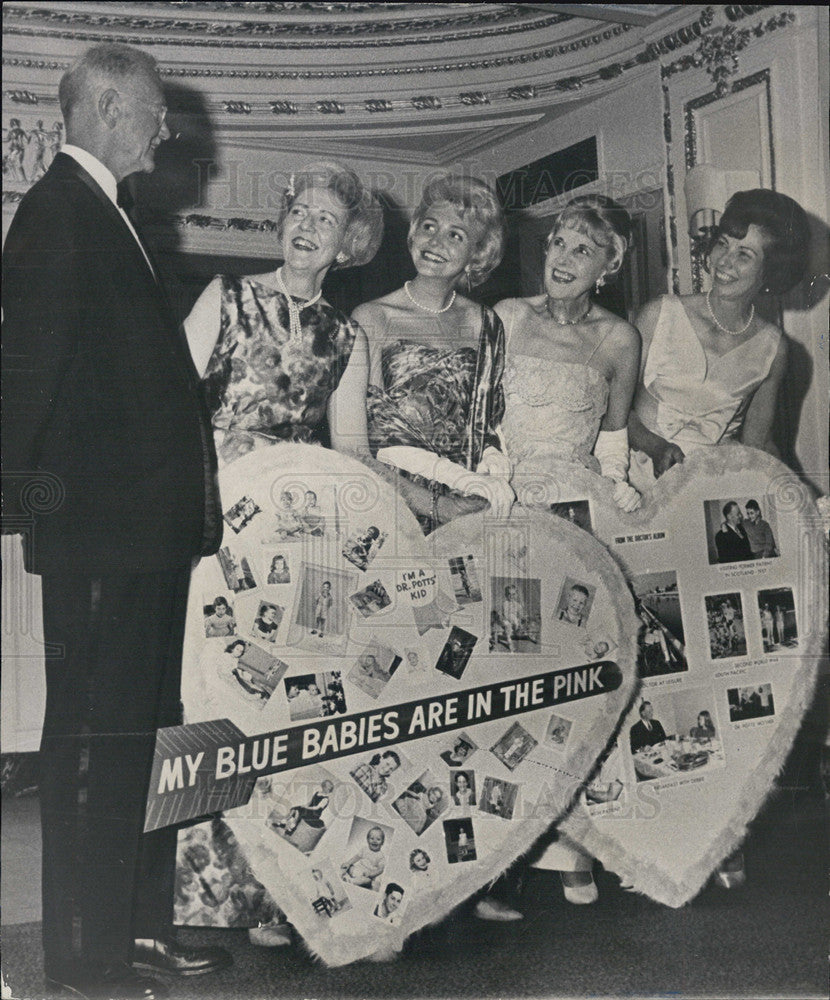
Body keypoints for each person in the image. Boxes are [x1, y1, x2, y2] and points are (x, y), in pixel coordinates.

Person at [1, 44, 231, 998]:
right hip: (103, 538)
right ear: (101, 105)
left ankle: (132, 930)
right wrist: (43, 518)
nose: (165, 130)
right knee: (95, 749)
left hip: (139, 538)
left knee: (139, 735)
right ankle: (84, 965)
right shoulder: (54, 213)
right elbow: (22, 392)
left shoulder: (105, 213)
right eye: (150, 113)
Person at [185, 159, 384, 467]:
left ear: (346, 247)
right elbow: (170, 398)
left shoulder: (347, 338)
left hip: (289, 494)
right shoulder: (226, 295)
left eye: (325, 220)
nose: (306, 225)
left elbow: (353, 454)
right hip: (205, 478)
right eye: (299, 212)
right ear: (283, 225)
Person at [353, 173, 515, 533]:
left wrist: (492, 460)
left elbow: (488, 422)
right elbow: (367, 442)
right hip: (394, 503)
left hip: (470, 506)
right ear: (413, 232)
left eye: (456, 235)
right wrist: (440, 504)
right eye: (429, 226)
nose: (435, 241)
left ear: (478, 252)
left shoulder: (485, 323)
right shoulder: (372, 318)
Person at [628, 189, 811, 486]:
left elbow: (760, 444)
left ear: (769, 272)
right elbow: (612, 409)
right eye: (722, 244)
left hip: (714, 486)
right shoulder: (658, 314)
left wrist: (803, 498)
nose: (725, 262)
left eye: (744, 255)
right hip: (640, 472)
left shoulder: (773, 347)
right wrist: (655, 446)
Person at [496, 194, 642, 513]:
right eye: (559, 243)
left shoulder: (621, 339)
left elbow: (613, 435)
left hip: (574, 501)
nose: (563, 260)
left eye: (582, 251)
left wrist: (616, 482)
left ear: (608, 266)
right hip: (501, 495)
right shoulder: (509, 316)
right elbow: (480, 421)